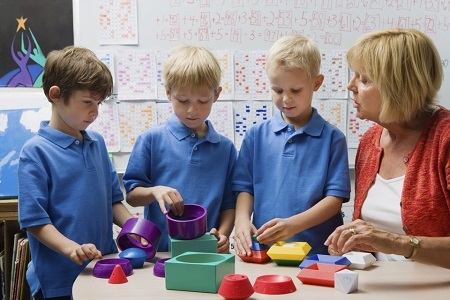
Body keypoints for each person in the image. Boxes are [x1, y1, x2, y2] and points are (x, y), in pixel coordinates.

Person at [18, 46, 139, 299]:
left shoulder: (97, 143)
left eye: (98, 103)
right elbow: (35, 222)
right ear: (56, 95)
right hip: (59, 282)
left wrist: (136, 228)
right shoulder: (35, 152)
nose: (95, 112)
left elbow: (114, 202)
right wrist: (71, 249)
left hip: (104, 270)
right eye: (87, 102)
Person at [324, 28, 450, 269]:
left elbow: (390, 241)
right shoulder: (370, 141)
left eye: (363, 79)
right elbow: (373, 238)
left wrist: (397, 243)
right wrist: (353, 241)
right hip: (380, 285)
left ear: (398, 87)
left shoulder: (445, 140)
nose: (351, 86)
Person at [232, 34, 351, 256]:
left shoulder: (333, 139)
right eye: (277, 90)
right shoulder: (256, 136)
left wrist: (293, 225)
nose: (286, 99)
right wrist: (241, 220)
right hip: (265, 253)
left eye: (295, 91)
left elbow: (334, 200)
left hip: (318, 254)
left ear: (316, 83)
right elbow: (244, 188)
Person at [122, 45, 237, 253]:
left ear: (217, 95)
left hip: (207, 253)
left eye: (203, 101)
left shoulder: (225, 149)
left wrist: (224, 234)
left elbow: (229, 203)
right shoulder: (150, 140)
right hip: (161, 255)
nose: (192, 110)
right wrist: (155, 191)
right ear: (168, 93)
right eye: (183, 100)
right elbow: (132, 195)